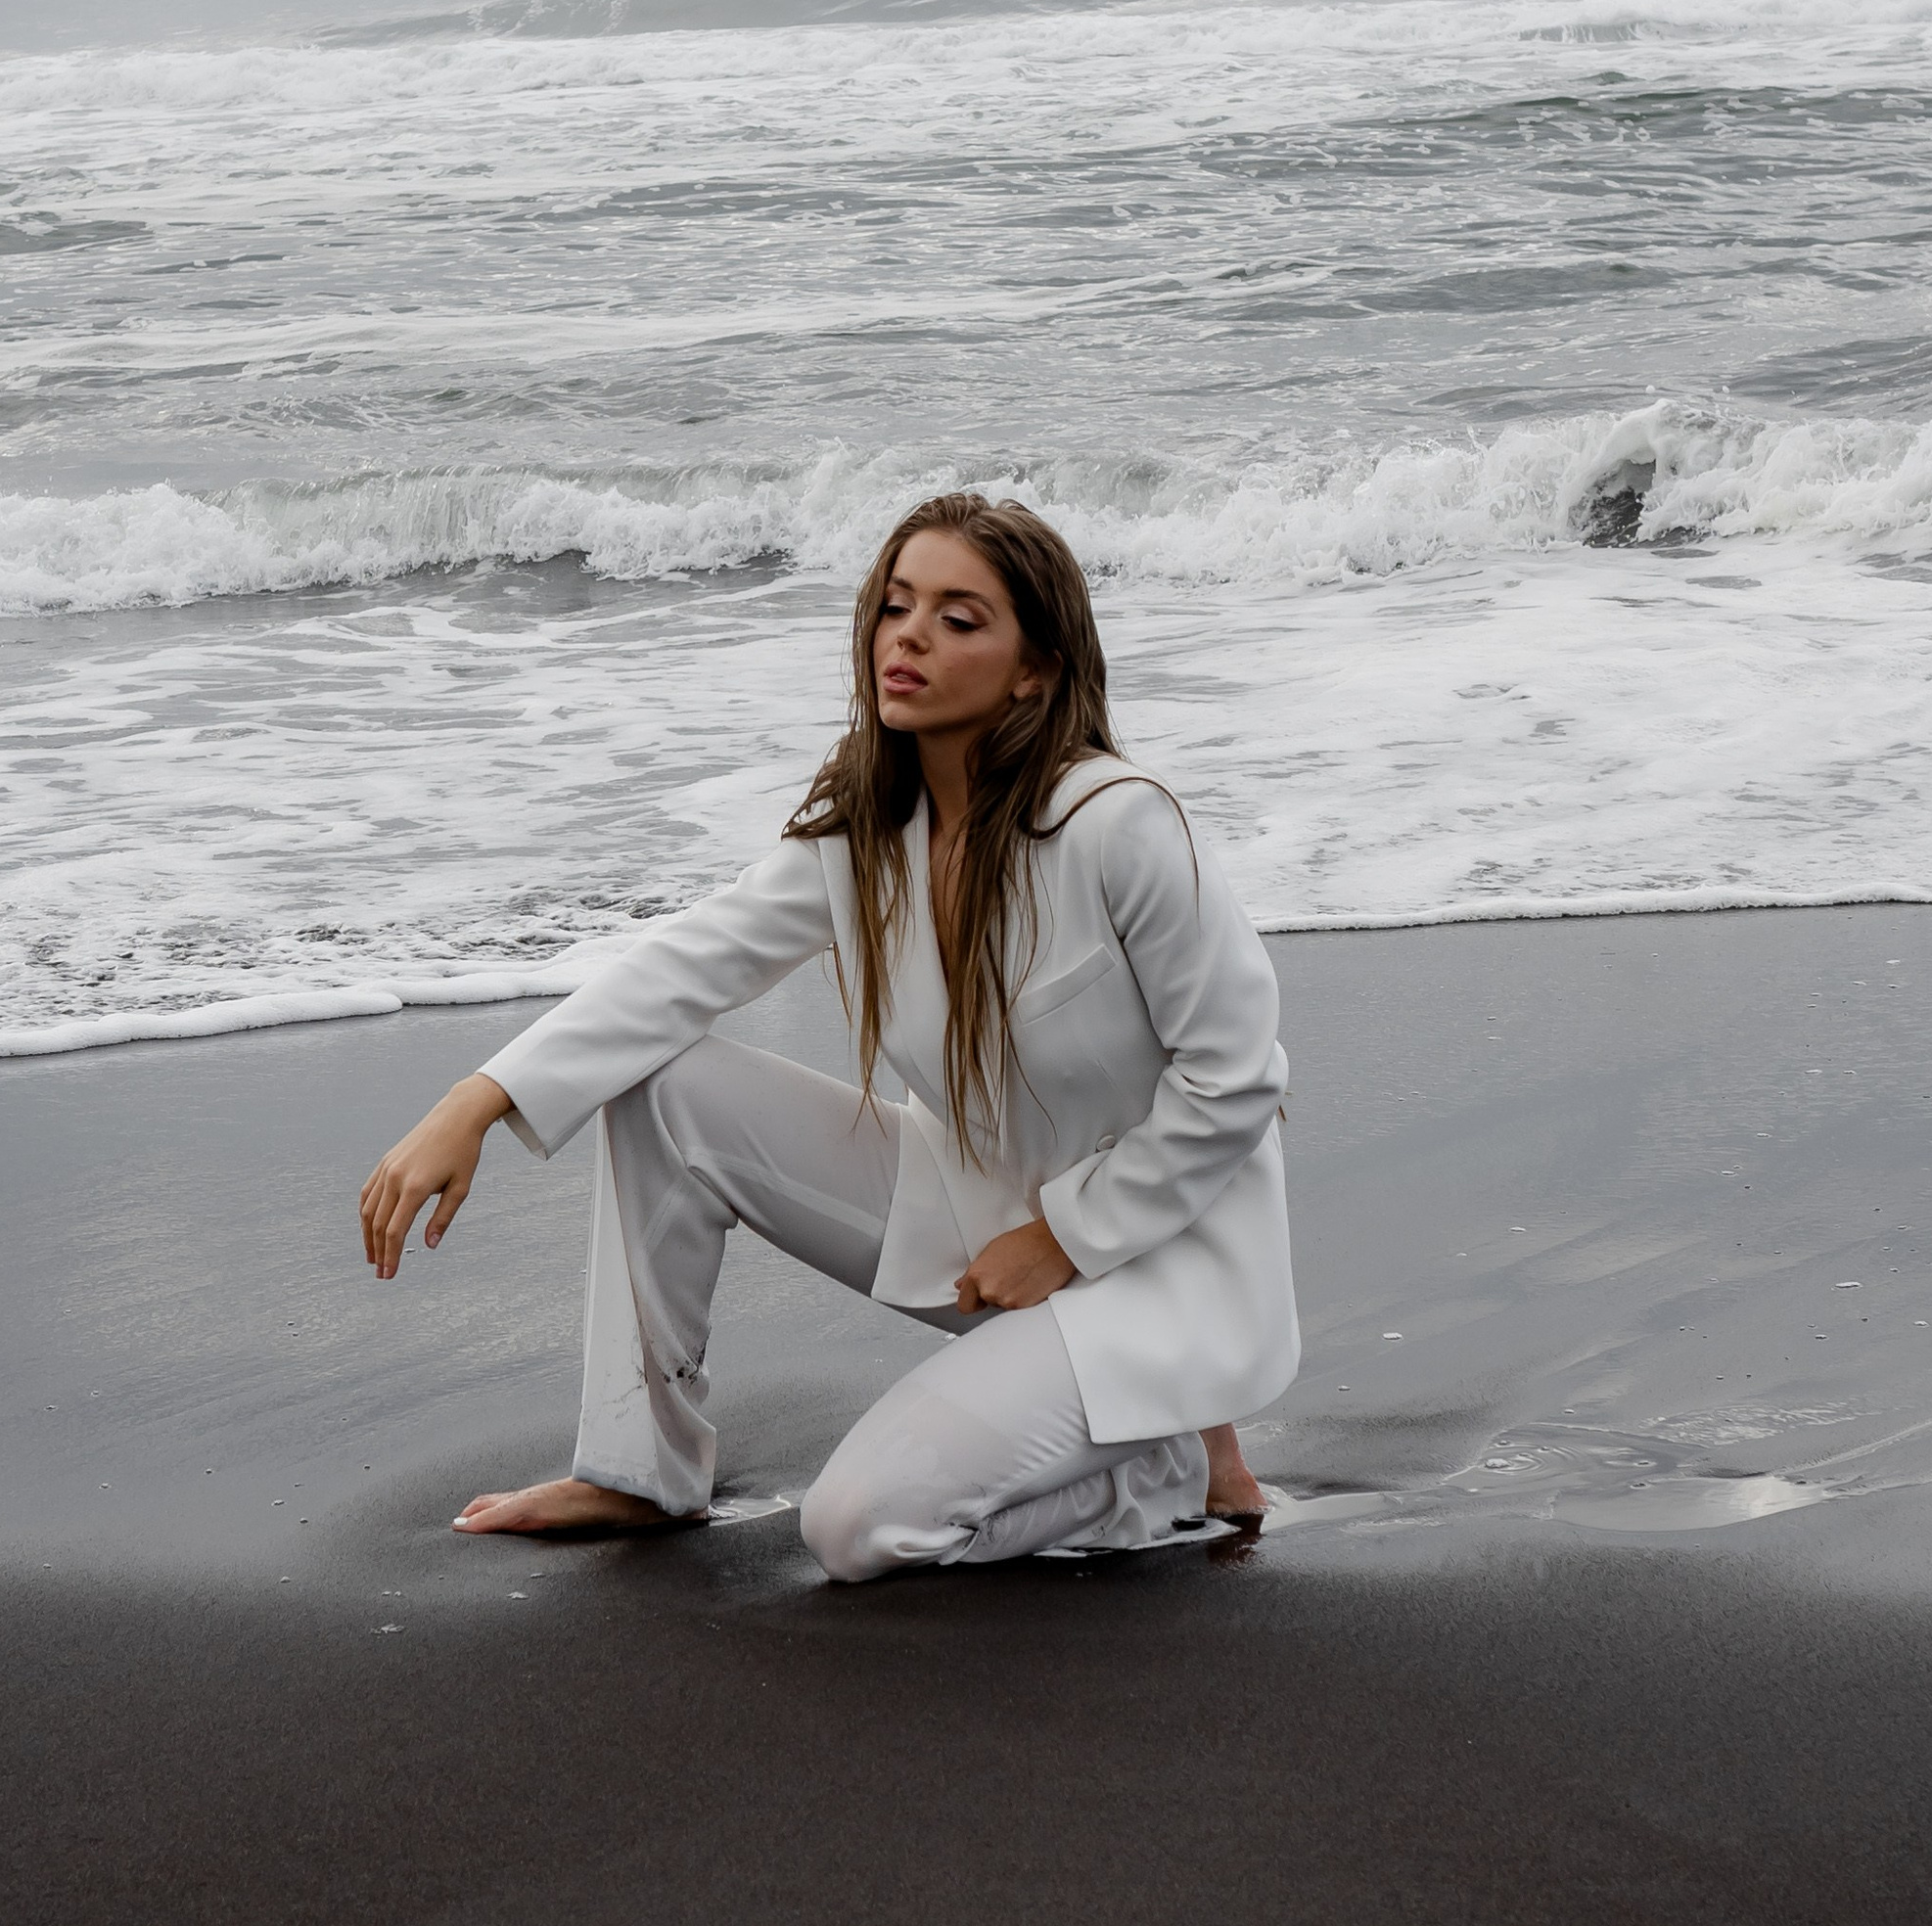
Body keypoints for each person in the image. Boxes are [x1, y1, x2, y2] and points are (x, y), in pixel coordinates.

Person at [357, 490, 1298, 1582]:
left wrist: (1065, 1238)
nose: (909, 635)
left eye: (959, 617)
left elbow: (1236, 1077)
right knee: (664, 1084)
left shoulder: (1117, 823)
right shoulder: (867, 838)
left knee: (858, 1530)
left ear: (1035, 667)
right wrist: (476, 1100)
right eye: (897, 605)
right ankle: (641, 1470)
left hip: (1150, 1277)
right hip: (981, 1223)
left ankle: (1167, 1466)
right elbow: (679, 971)